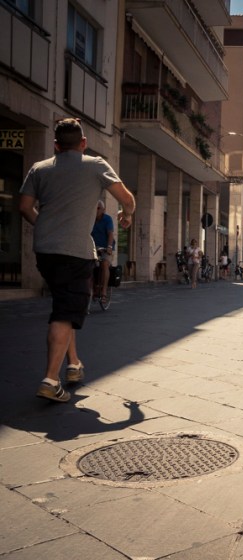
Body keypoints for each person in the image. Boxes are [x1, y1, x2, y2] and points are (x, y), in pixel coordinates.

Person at [19, 118, 135, 402]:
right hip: (75, 252)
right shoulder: (95, 165)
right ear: (83, 143)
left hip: (45, 251)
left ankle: (73, 364)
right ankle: (50, 380)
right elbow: (127, 198)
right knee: (64, 313)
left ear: (56, 145)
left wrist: (45, 228)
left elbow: (24, 206)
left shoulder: (39, 168)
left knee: (64, 306)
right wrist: (127, 214)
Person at [90, 200, 114, 299]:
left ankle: (104, 291)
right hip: (93, 247)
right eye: (95, 207)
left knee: (104, 264)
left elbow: (110, 234)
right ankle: (92, 288)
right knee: (88, 265)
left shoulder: (107, 219)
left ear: (103, 210)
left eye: (99, 208)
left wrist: (109, 247)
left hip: (105, 247)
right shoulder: (90, 219)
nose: (96, 210)